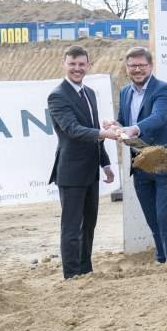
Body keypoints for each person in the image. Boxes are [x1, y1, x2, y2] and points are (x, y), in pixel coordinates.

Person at [47, 45, 117, 279]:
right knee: (71, 228)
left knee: (89, 226)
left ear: (88, 65)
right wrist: (105, 134)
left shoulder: (89, 93)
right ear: (64, 64)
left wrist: (105, 163)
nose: (77, 68)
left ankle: (86, 272)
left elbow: (93, 128)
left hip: (91, 171)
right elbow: (73, 129)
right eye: (72, 64)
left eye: (81, 64)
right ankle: (72, 276)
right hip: (71, 172)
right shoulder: (58, 95)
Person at [112, 46, 167, 264]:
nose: (137, 69)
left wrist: (133, 129)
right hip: (140, 163)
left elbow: (159, 118)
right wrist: (115, 126)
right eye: (132, 66)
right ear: (126, 68)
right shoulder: (125, 92)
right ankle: (161, 259)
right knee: (152, 218)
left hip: (164, 161)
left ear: (151, 66)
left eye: (141, 65)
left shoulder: (164, 90)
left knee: (165, 215)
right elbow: (124, 122)